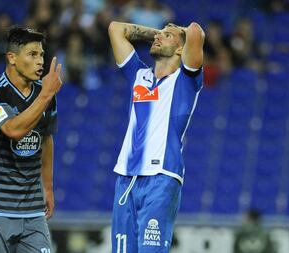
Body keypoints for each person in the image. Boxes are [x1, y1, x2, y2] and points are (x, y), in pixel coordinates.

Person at [108, 20, 205, 252]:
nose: (157, 38)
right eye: (156, 35)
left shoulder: (186, 81)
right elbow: (115, 28)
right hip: (126, 177)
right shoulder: (138, 75)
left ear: (181, 49)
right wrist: (163, 34)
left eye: (166, 36)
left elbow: (195, 31)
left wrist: (178, 33)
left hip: (162, 177)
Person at [0, 26, 63, 253]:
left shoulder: (45, 94)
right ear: (12, 58)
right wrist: (45, 95)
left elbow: (46, 138)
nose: (40, 60)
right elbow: (13, 130)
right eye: (32, 54)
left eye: (41, 54)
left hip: (33, 212)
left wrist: (48, 188)